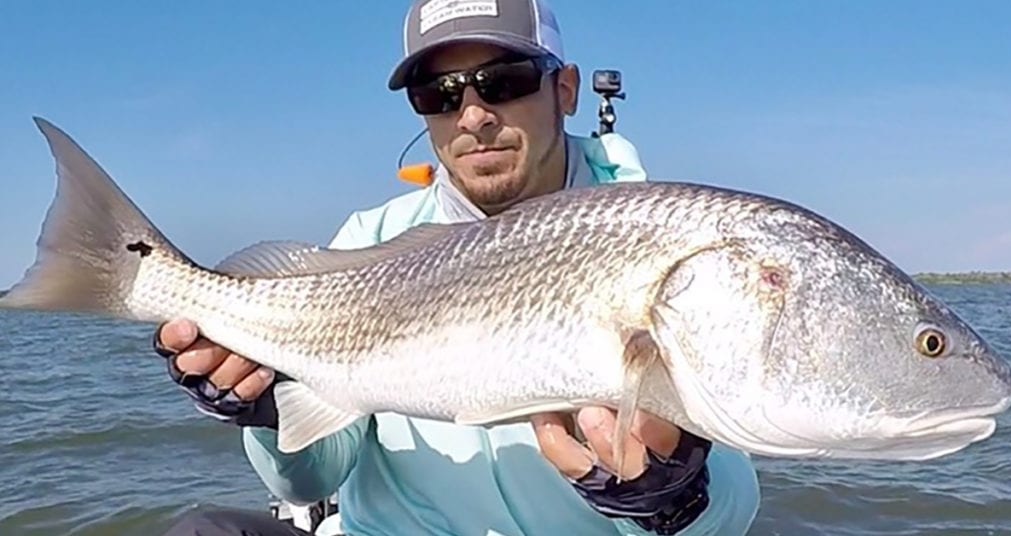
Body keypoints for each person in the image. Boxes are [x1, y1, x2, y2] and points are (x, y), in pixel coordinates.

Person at [158, 1, 761, 535]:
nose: (472, 115)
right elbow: (309, 482)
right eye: (438, 93)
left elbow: (735, 502)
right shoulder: (368, 240)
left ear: (566, 89)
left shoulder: (665, 244)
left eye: (503, 81)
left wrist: (676, 498)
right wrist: (266, 409)